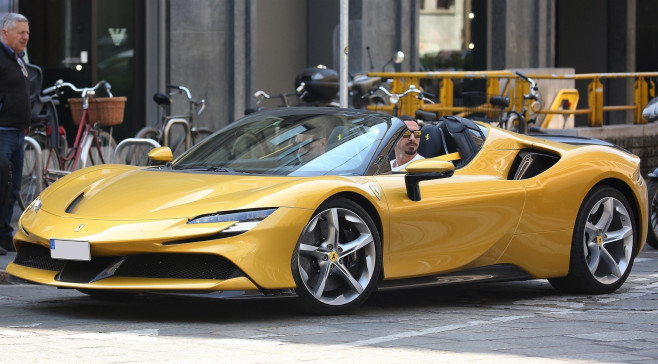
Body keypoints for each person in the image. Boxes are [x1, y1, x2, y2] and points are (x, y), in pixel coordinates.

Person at [0, 13, 30, 255]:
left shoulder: (19, 59)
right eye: (20, 32)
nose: (25, 37)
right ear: (4, 33)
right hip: (2, 133)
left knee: (13, 188)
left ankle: (4, 235)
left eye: (27, 32)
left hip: (18, 133)